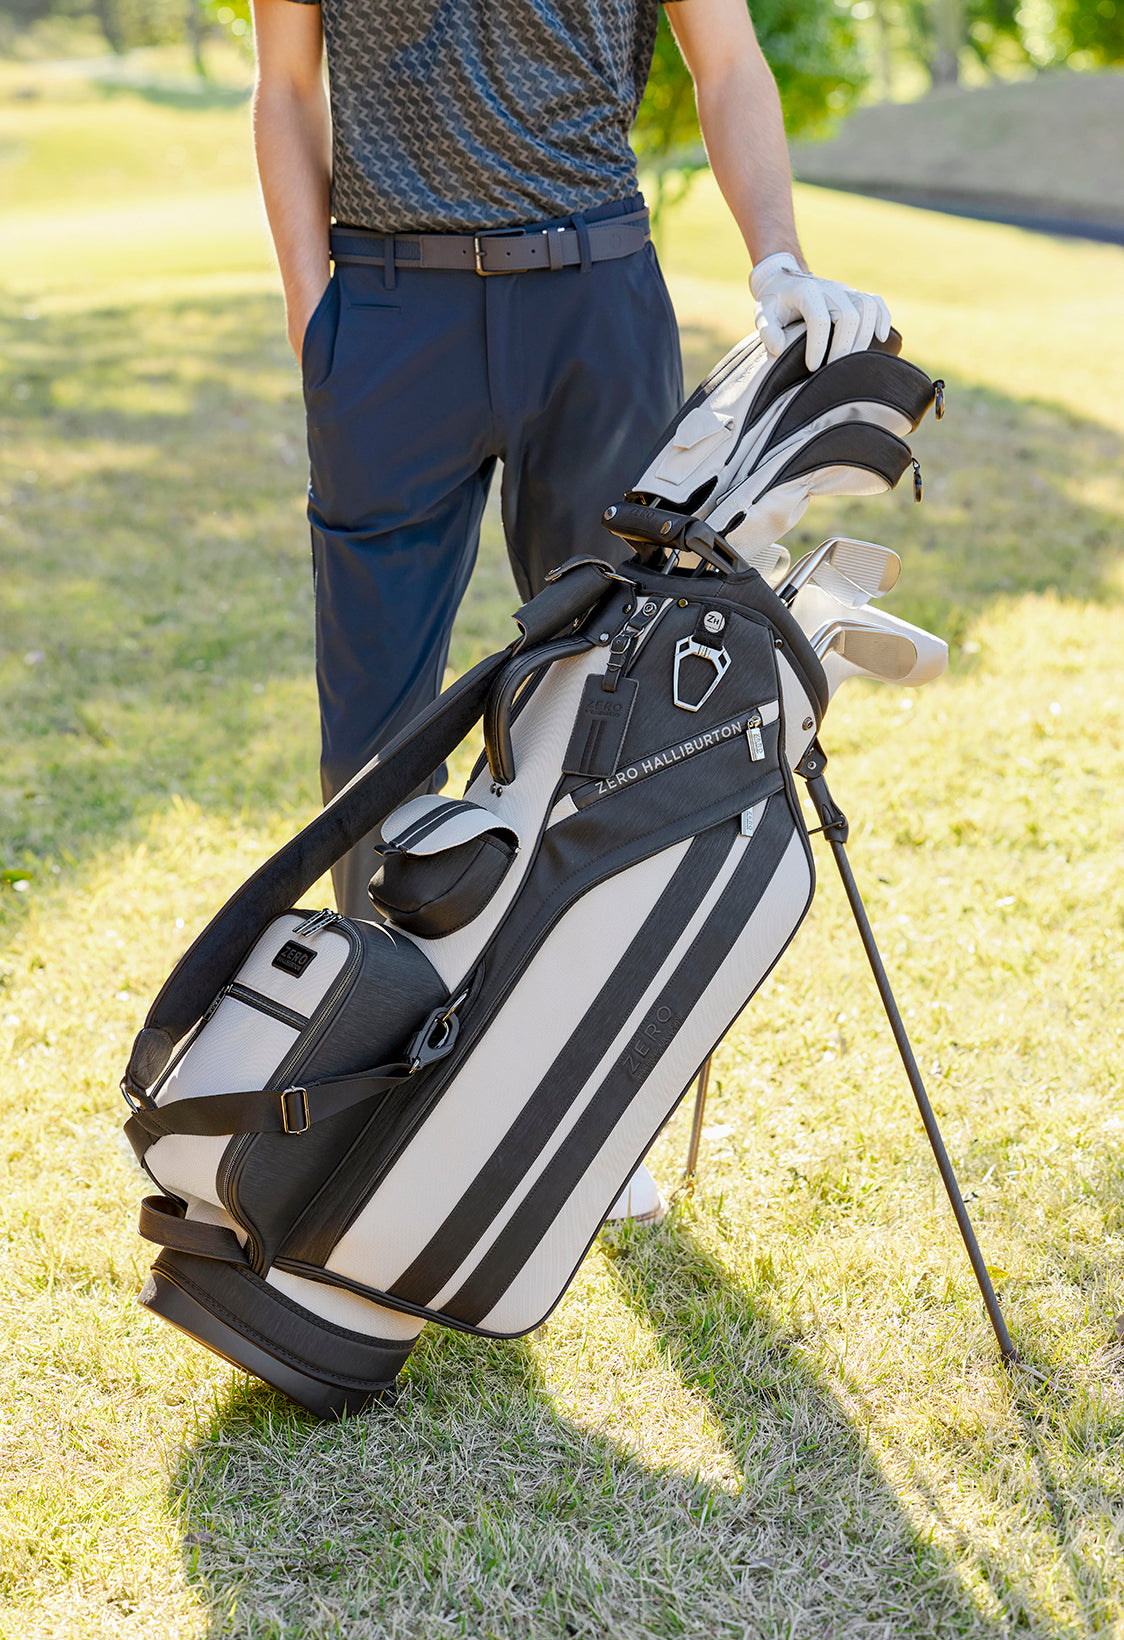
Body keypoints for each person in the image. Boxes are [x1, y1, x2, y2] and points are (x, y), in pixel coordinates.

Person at [249, 0, 891, 1221]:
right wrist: (311, 308)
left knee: (602, 720)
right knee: (373, 737)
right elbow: (283, 83)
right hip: (385, 313)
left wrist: (776, 256)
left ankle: (572, 1092)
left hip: (593, 304)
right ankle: (376, 1082)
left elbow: (726, 57)